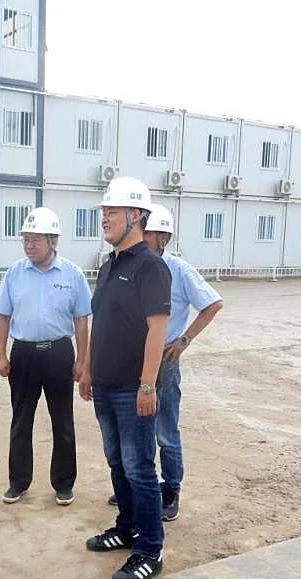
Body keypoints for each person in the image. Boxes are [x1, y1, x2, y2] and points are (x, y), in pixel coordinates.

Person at [79, 176, 172, 579]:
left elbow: (157, 330)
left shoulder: (150, 267)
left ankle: (150, 550)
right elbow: (102, 323)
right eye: (104, 212)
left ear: (135, 215)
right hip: (104, 385)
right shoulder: (109, 264)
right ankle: (127, 527)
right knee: (117, 462)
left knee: (140, 469)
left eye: (111, 212)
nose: (105, 219)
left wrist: (147, 385)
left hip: (134, 391)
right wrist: (88, 369)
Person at [107, 204, 223, 520]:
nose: (141, 238)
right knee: (131, 427)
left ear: (163, 237)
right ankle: (135, 485)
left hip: (163, 362)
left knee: (165, 430)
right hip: (130, 360)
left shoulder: (178, 270)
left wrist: (184, 340)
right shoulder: (129, 265)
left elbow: (213, 304)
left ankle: (170, 489)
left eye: (148, 234)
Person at [0, 206, 92, 506]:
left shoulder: (72, 274)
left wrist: (82, 360)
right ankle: (18, 482)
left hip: (59, 353)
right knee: (21, 420)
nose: (29, 245)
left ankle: (63, 484)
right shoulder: (15, 273)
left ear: (53, 241)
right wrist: (1, 354)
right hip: (23, 353)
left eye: (35, 239)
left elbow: (81, 320)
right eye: (25, 239)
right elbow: (2, 316)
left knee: (63, 420)